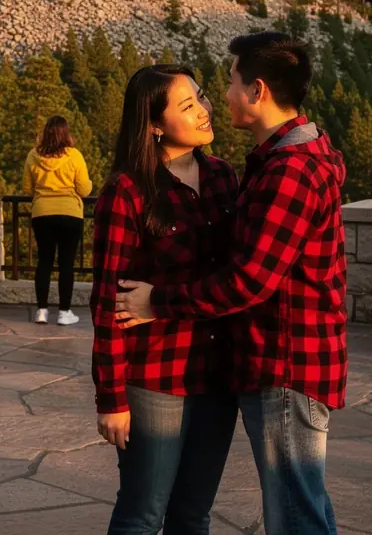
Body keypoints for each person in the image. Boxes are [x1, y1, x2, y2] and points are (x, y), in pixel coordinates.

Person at [116, 32, 347, 535]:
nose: (218, 97)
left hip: (284, 362)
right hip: (268, 360)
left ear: (257, 91)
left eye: (229, 82)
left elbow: (248, 281)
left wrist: (158, 300)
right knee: (303, 505)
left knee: (295, 515)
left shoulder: (289, 170)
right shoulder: (282, 159)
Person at [91, 65, 239, 534]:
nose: (204, 111)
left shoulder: (222, 177)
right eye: (188, 105)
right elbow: (106, 300)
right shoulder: (128, 191)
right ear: (154, 124)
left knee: (193, 515)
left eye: (202, 97)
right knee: (142, 514)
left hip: (218, 375)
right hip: (156, 376)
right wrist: (111, 397)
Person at [22, 116, 92, 325]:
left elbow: (27, 189)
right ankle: (64, 312)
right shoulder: (75, 156)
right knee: (66, 264)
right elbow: (84, 189)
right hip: (70, 213)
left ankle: (41, 311)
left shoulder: (33, 156)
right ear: (66, 133)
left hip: (42, 213)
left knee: (44, 261)